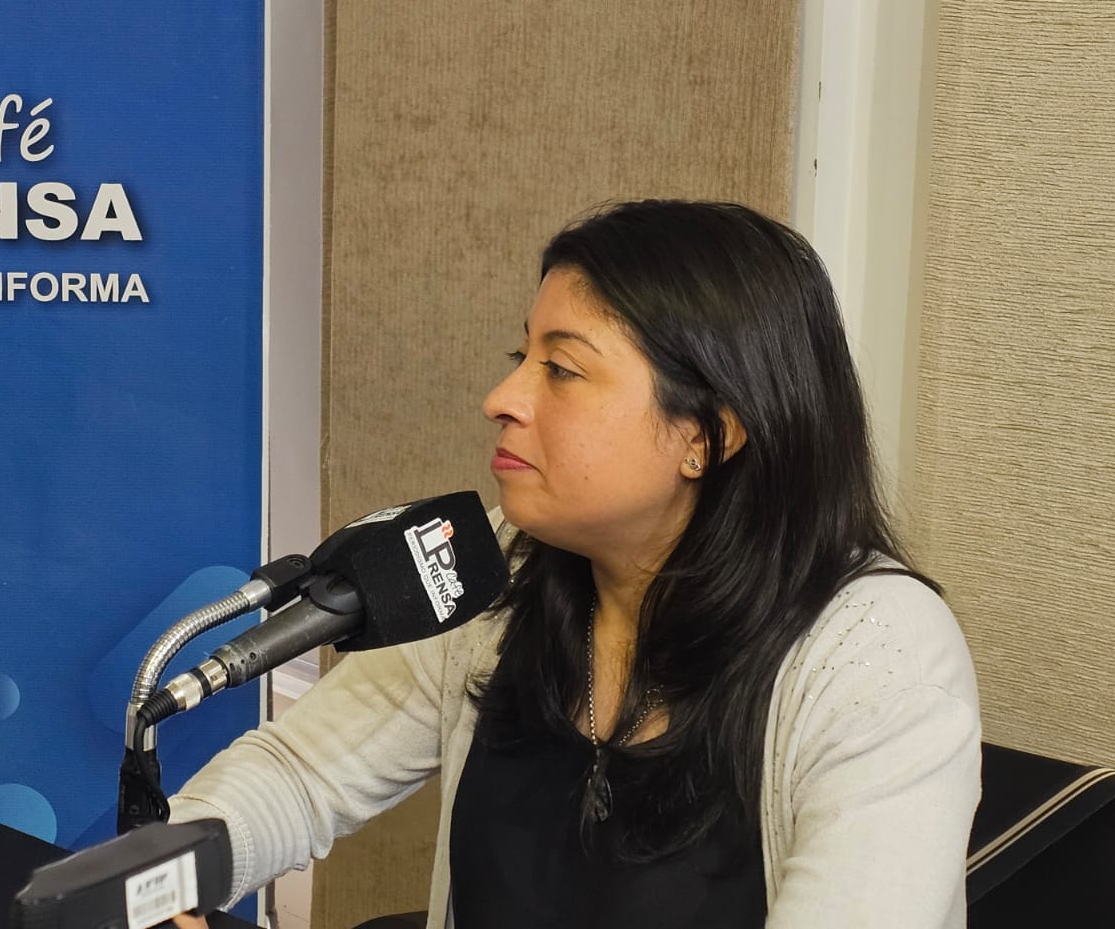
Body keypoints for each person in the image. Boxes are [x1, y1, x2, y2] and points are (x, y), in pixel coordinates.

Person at [169, 200, 980, 928]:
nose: (502, 397)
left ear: (706, 436)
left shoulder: (880, 652)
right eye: (521, 356)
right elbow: (298, 775)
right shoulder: (499, 566)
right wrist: (153, 889)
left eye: (560, 370)